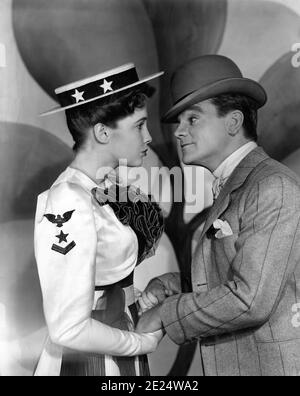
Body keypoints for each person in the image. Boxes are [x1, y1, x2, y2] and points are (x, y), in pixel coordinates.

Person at [137, 55, 300, 376]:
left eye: (192, 119)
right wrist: (173, 283)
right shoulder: (238, 182)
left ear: (234, 122)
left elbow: (249, 300)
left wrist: (166, 314)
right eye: (178, 122)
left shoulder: (272, 185)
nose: (179, 132)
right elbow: (232, 274)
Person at [34, 63, 165, 376]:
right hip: (89, 361)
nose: (148, 137)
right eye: (139, 125)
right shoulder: (68, 197)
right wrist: (141, 342)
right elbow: (68, 328)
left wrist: (147, 300)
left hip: (116, 345)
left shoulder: (107, 190)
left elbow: (107, 284)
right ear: (103, 132)